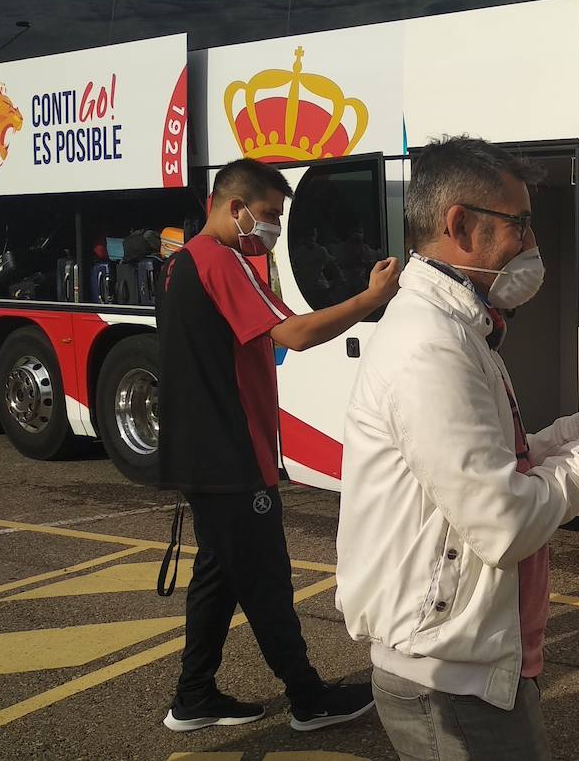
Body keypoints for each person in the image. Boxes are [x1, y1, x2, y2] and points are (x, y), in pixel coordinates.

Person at [336, 136, 579, 760]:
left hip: (471, 666)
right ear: (460, 225)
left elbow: (509, 462)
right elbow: (504, 522)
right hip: (448, 681)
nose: (532, 244)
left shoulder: (460, 329)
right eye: (521, 223)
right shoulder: (430, 346)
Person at [156, 158, 400, 732]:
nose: (271, 228)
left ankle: (194, 696)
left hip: (201, 454)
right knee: (266, 579)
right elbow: (293, 334)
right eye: (268, 215)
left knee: (219, 576)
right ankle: (309, 696)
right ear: (233, 206)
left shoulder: (180, 264)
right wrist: (370, 299)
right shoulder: (223, 261)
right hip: (231, 455)